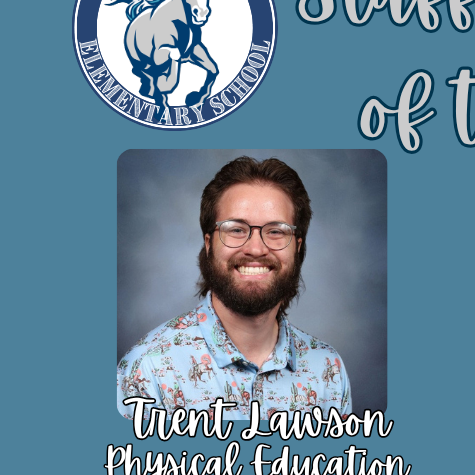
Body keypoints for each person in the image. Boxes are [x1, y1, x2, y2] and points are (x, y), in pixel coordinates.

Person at [118, 156, 351, 420]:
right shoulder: (147, 370)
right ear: (209, 244)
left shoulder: (328, 369)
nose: (256, 249)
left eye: (276, 231)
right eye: (237, 230)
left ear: (297, 248)